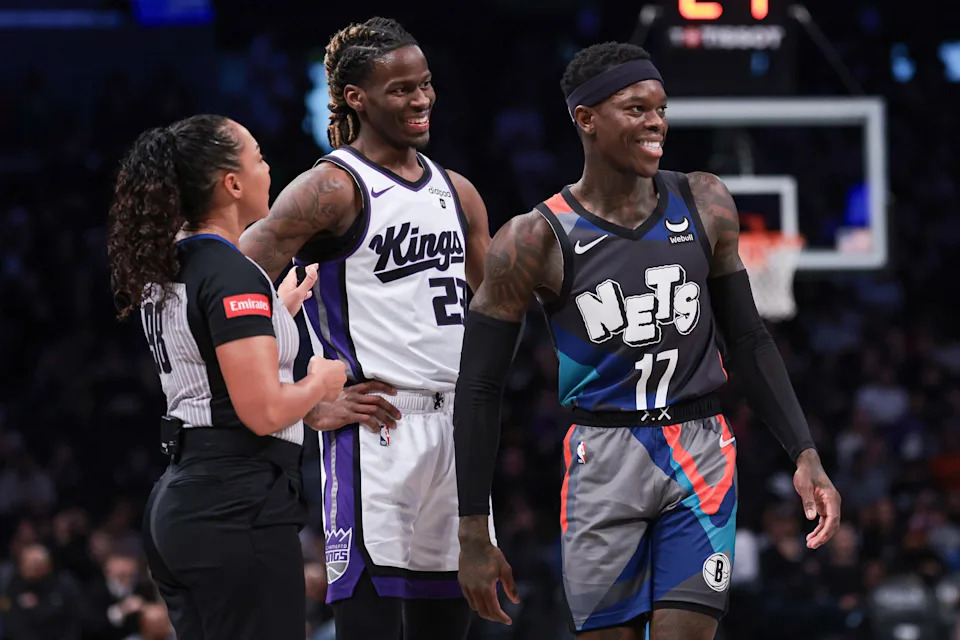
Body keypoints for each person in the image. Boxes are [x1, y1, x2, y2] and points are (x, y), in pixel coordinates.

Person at [453, 42, 843, 639]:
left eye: (660, 108)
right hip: (604, 453)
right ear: (585, 119)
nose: (656, 121)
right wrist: (474, 528)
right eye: (636, 109)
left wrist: (804, 452)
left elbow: (747, 338)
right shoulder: (534, 238)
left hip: (699, 449)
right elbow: (479, 384)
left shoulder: (705, 200)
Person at [238, 16, 491, 640]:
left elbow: (493, 322)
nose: (421, 99)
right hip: (375, 430)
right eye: (402, 89)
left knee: (447, 624)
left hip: (456, 430)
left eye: (425, 84)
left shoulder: (459, 193)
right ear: (356, 97)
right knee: (370, 625)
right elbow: (230, 287)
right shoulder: (332, 187)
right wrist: (300, 393)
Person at [106, 114, 348, 640]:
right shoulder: (231, 271)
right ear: (231, 184)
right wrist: (321, 382)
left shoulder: (174, 262)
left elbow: (206, 352)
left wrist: (274, 311)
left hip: (187, 501)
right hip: (235, 506)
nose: (268, 168)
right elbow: (261, 411)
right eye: (259, 157)